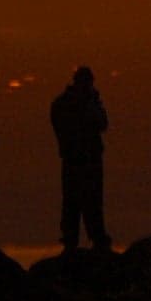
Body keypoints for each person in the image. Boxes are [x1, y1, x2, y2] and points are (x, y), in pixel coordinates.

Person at [51, 65, 112, 252]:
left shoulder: (67, 103)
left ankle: (82, 239)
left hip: (82, 160)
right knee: (79, 201)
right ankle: (80, 240)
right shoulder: (68, 104)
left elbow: (102, 123)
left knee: (83, 201)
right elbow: (99, 123)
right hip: (80, 160)